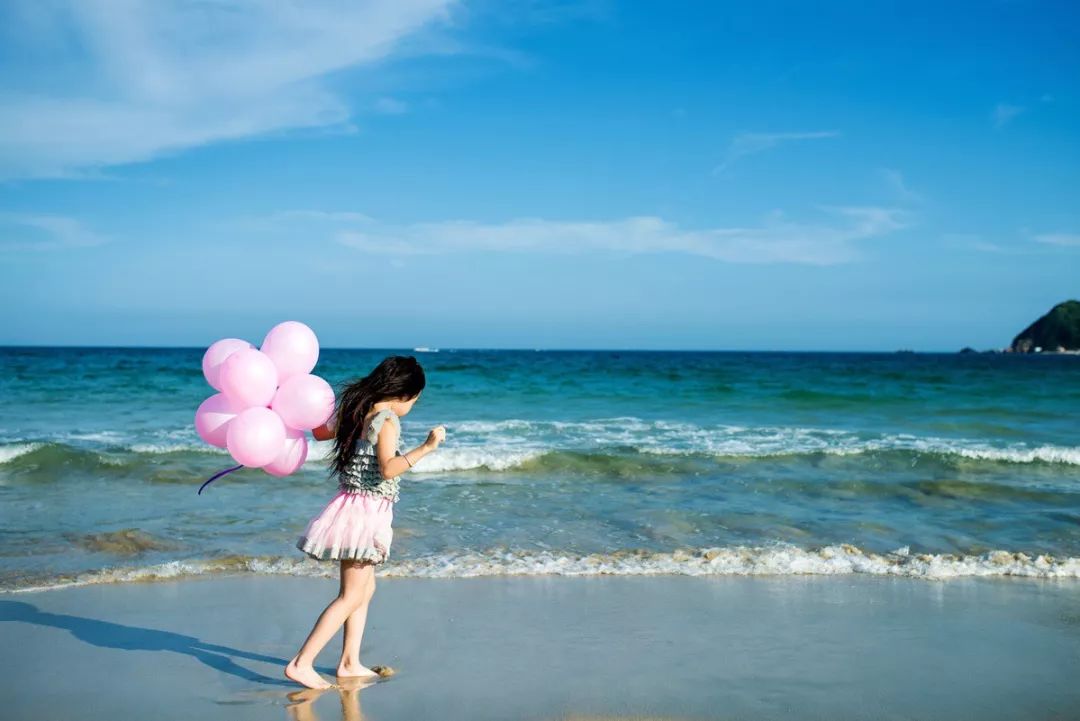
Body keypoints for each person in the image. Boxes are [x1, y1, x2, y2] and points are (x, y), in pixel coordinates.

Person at [284, 355, 446, 689]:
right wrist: (427, 448)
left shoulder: (356, 410)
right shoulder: (387, 419)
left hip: (354, 507)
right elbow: (388, 468)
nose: (412, 406)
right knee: (350, 595)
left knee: (364, 590)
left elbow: (319, 432)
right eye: (414, 400)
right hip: (365, 512)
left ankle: (349, 662)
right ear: (403, 394)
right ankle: (302, 663)